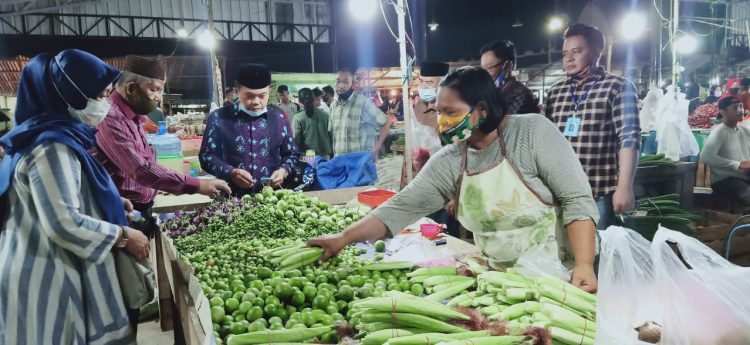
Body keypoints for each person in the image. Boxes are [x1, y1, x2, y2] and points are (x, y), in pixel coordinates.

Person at [309, 66, 599, 292]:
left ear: (482, 109)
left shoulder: (532, 133)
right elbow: (401, 208)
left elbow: (576, 199)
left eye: (451, 112)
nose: (441, 122)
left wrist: (585, 265)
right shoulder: (450, 160)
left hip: (561, 274)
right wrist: (344, 238)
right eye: (439, 112)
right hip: (503, 282)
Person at [0, 49, 150, 343]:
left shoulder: (45, 134)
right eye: (101, 95)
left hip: (49, 262)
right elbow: (63, 222)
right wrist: (123, 235)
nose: (105, 104)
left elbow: (52, 196)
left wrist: (105, 200)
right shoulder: (51, 147)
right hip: (48, 275)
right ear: (71, 95)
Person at [93, 54, 230, 238]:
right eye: (154, 90)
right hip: (121, 213)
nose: (158, 97)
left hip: (140, 209)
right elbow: (140, 169)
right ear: (131, 88)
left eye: (160, 90)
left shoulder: (135, 117)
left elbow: (147, 160)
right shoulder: (111, 118)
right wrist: (197, 185)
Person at [545, 23, 641, 230]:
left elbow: (629, 137)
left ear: (598, 51)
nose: (568, 59)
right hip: (561, 192)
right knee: (562, 253)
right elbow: (546, 142)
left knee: (598, 254)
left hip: (598, 191)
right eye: (564, 54)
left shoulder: (618, 87)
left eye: (576, 51)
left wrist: (624, 187)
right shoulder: (556, 92)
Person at [200, 63, 298, 195]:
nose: (256, 101)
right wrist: (231, 172)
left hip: (272, 199)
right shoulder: (219, 118)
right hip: (231, 200)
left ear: (269, 90)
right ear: (237, 91)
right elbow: (206, 156)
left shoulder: (279, 117)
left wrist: (284, 171)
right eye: (249, 96)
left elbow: (292, 153)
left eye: (262, 95)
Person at [329, 68, 392, 158]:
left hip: (360, 163)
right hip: (340, 162)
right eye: (338, 81)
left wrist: (377, 147)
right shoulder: (333, 106)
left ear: (353, 84)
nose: (341, 85)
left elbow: (387, 122)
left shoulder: (363, 102)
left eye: (346, 82)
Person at [701, 94, 750, 206]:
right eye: (735, 107)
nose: (740, 110)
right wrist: (738, 164)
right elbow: (706, 157)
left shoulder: (745, 131)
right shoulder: (719, 132)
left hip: (744, 176)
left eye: (741, 106)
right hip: (724, 180)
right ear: (723, 112)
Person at [480, 40, 538, 115]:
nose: (484, 74)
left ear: (507, 66)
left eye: (489, 67)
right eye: (482, 69)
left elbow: (508, 124)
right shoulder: (488, 93)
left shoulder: (521, 93)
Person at [292, 88, 333, 159]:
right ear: (313, 98)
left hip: (308, 155)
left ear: (299, 101)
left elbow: (295, 140)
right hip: (325, 154)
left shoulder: (298, 118)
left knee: (310, 170)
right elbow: (331, 136)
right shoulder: (325, 115)